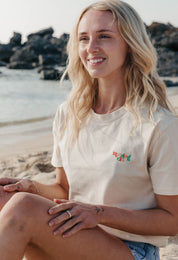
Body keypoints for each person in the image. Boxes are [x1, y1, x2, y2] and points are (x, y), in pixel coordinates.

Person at [0, 0, 177, 259]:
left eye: (104, 36)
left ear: (130, 44)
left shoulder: (160, 126)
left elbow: (172, 220)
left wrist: (98, 214)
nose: (91, 48)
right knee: (6, 199)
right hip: (77, 234)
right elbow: (64, 190)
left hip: (131, 249)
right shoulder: (69, 114)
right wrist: (31, 186)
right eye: (83, 38)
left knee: (24, 208)